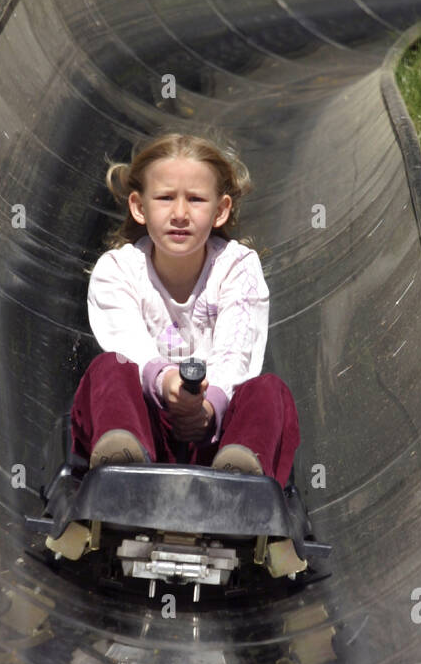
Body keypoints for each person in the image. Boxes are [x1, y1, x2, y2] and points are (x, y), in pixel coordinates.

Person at [69, 131, 301, 486]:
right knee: (109, 369)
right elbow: (127, 341)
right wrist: (166, 382)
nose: (180, 214)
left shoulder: (238, 268)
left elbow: (237, 347)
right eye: (165, 198)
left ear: (220, 210)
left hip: (218, 430)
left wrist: (209, 406)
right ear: (139, 207)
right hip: (146, 422)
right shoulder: (118, 270)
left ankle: (241, 475)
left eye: (195, 199)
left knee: (270, 390)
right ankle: (121, 463)